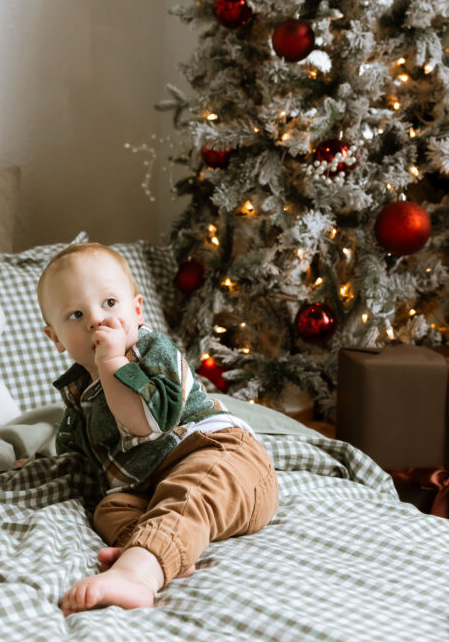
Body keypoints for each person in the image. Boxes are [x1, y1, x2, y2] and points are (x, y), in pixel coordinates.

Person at [37, 242, 278, 616]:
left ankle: (137, 575)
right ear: (56, 338)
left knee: (191, 488)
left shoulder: (151, 351)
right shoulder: (80, 393)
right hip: (151, 485)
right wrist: (42, 465)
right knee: (109, 508)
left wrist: (112, 361)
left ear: (137, 310)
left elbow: (148, 422)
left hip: (222, 456)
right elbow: (79, 455)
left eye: (110, 303)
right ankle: (160, 548)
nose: (96, 320)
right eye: (76, 314)